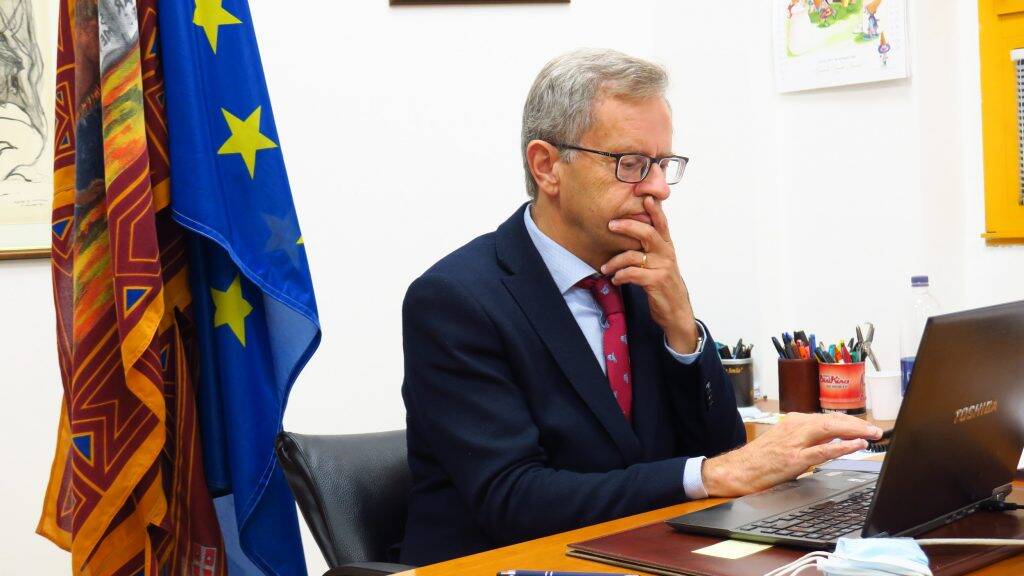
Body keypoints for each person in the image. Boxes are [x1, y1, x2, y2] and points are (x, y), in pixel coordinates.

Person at [398, 48, 882, 566]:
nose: (657, 189)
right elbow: (513, 497)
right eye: (631, 164)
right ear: (547, 167)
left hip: (636, 550)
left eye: (663, 164)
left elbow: (724, 453)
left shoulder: (638, 274)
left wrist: (682, 331)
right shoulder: (456, 300)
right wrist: (706, 476)